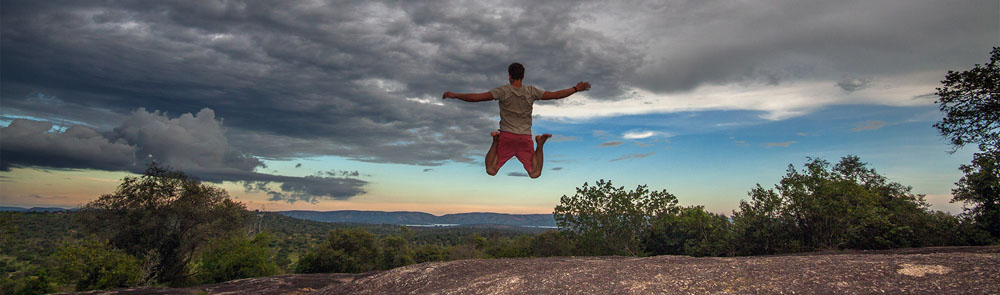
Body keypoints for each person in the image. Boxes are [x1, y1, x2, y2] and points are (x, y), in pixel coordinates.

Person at [442, 62, 591, 178]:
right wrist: (575, 89)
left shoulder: (503, 91)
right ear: (523, 76)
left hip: (506, 137)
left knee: (491, 170)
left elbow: (477, 98)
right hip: (524, 138)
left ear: (509, 76)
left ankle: (495, 141)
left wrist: (455, 95)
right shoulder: (531, 91)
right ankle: (539, 144)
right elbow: (555, 95)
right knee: (535, 173)